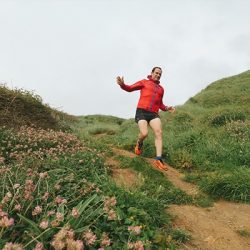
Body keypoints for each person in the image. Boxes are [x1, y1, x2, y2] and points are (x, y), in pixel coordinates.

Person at [116, 67, 175, 171]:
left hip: (153, 113)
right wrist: (122, 85)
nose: (158, 75)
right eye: (156, 73)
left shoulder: (161, 89)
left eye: (160, 74)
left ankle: (158, 159)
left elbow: (160, 104)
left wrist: (166, 108)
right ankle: (139, 143)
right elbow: (130, 88)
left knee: (159, 132)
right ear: (151, 73)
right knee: (144, 133)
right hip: (142, 111)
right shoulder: (144, 82)